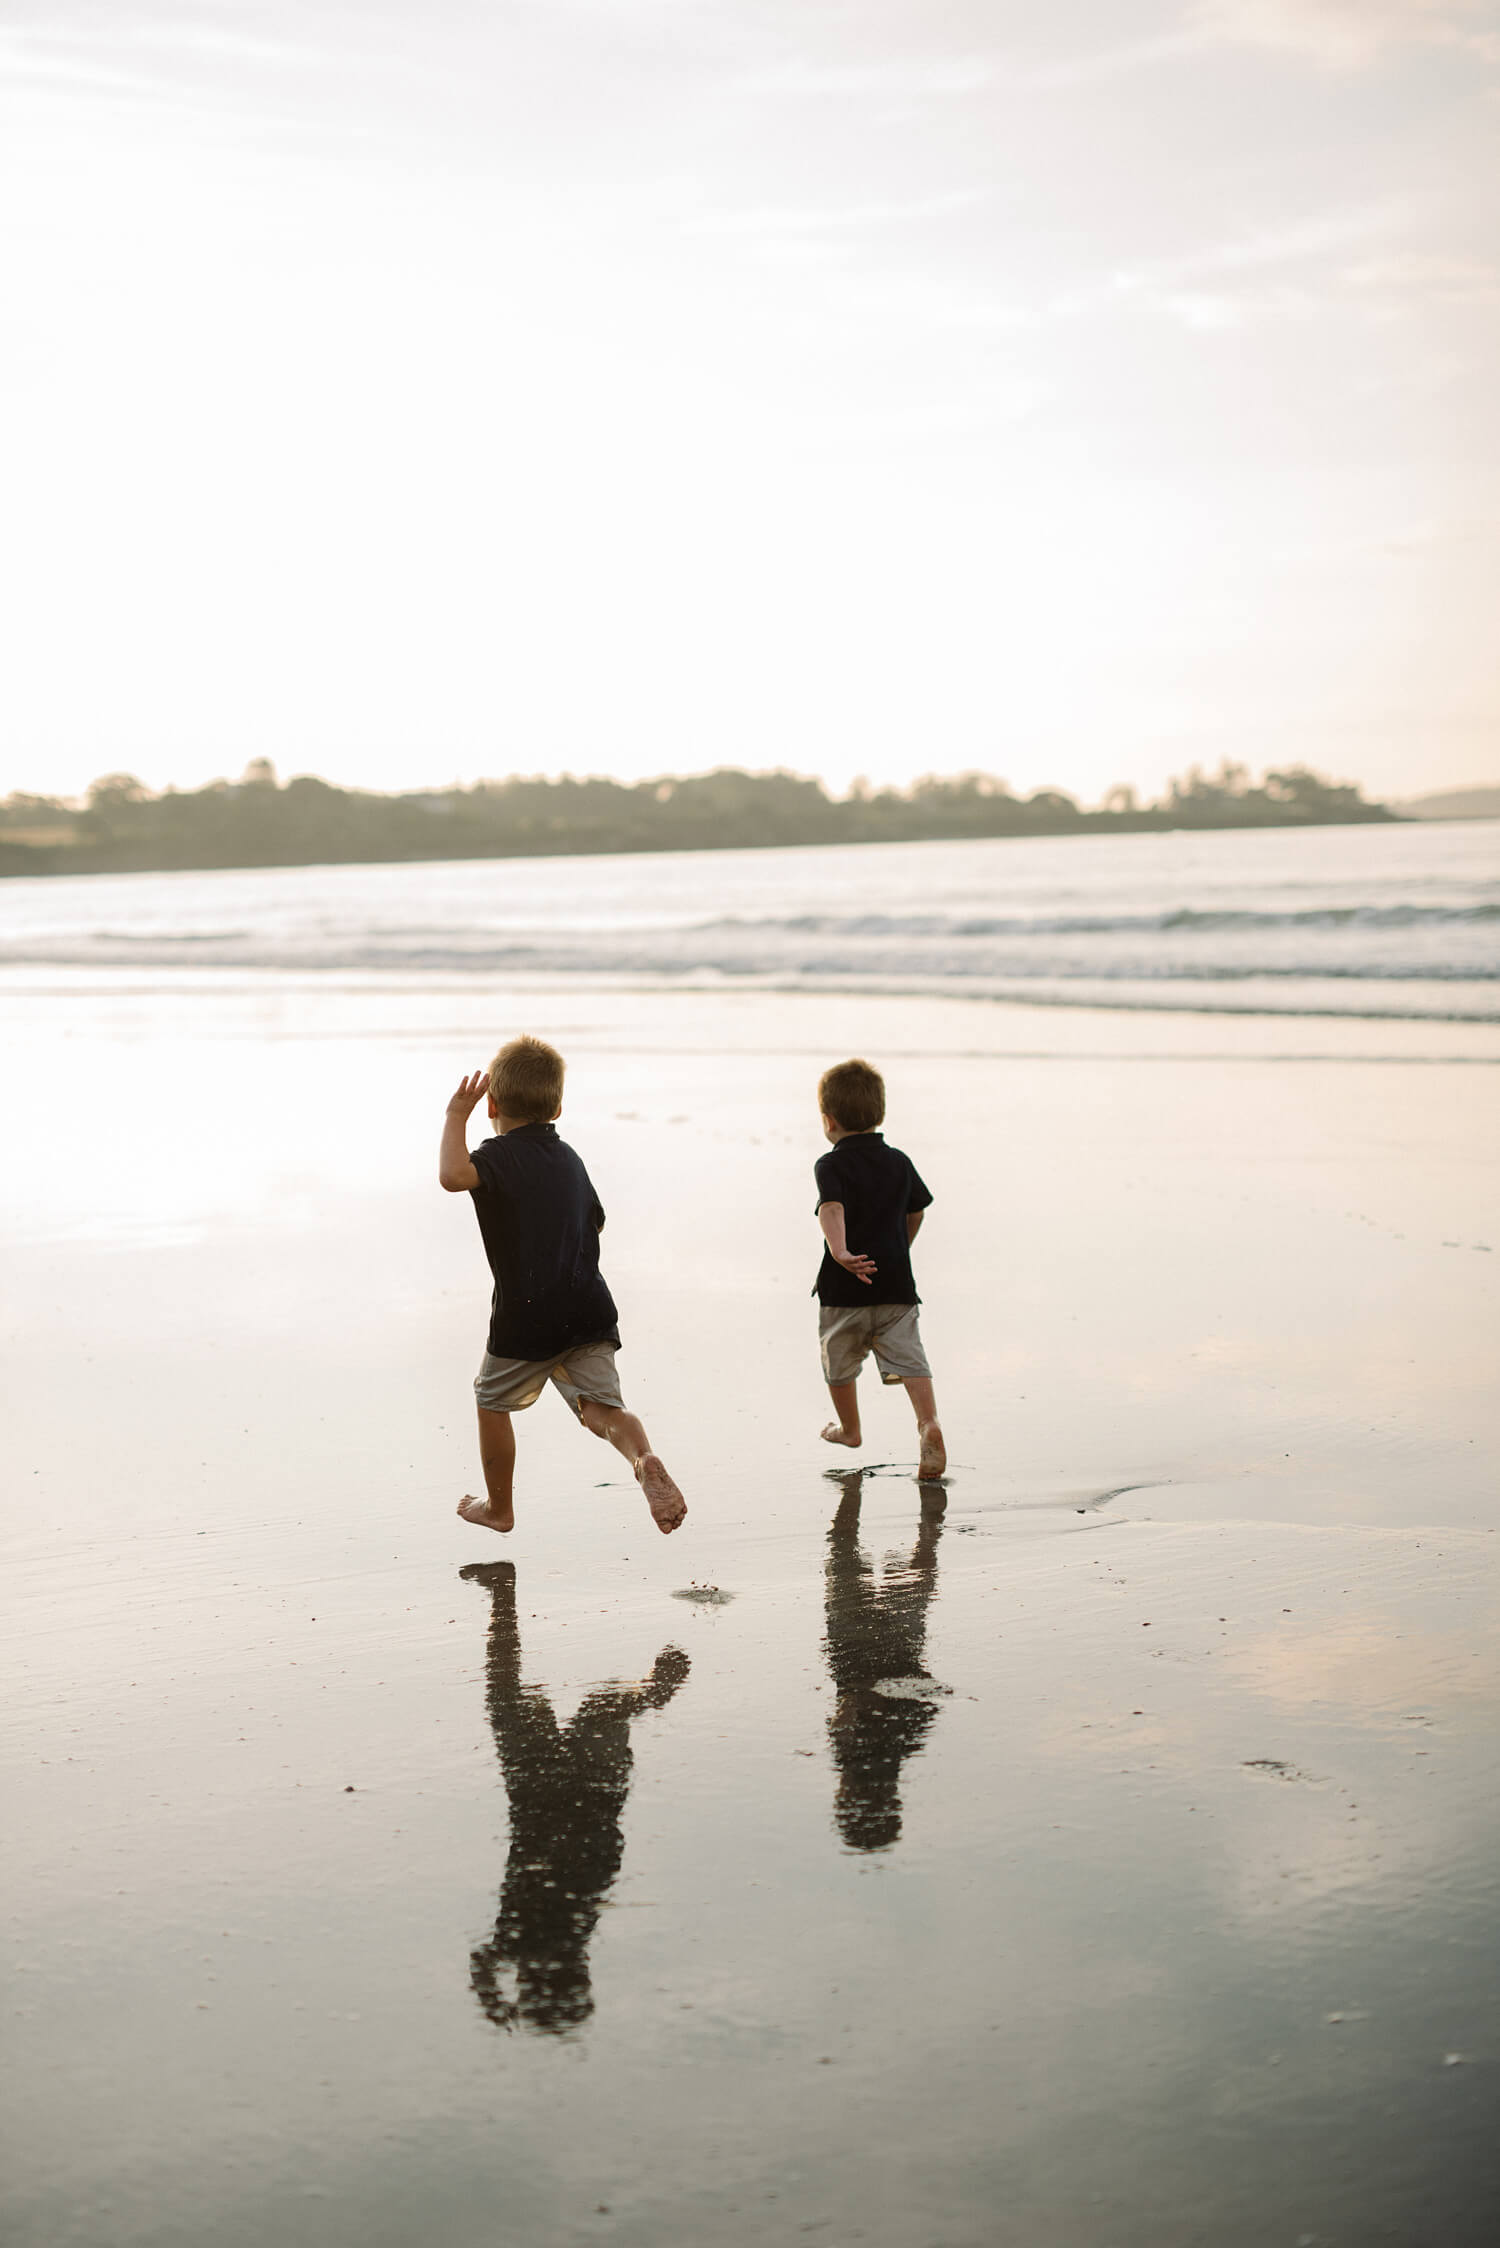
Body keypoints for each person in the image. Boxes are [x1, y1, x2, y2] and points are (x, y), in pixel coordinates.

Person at [439, 1034, 686, 1534]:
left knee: (490, 1402)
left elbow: (451, 1175)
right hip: (588, 1308)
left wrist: (453, 1118)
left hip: (526, 1317)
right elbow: (594, 1221)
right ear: (556, 1107)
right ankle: (642, 1460)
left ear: (491, 1104)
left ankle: (499, 1507)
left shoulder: (497, 1155)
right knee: (603, 1410)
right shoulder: (570, 1158)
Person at [812, 1057, 946, 1479]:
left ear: (828, 1120)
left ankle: (850, 1430)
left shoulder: (829, 1164)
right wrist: (899, 1249)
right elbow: (917, 1210)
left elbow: (831, 1207)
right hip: (896, 1287)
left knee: (839, 1363)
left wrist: (840, 1252)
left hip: (844, 1290)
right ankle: (928, 1423)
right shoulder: (899, 1161)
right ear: (879, 1113)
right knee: (911, 1360)